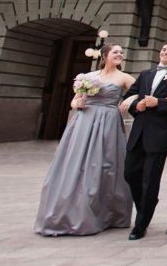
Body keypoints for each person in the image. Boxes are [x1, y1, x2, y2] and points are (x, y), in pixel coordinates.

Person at [34, 43, 135, 235]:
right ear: (104, 56)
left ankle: (105, 214)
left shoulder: (124, 77)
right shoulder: (87, 77)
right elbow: (75, 100)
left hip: (107, 124)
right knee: (75, 163)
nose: (120, 54)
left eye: (122, 52)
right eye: (116, 52)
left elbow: (140, 89)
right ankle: (66, 212)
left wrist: (130, 98)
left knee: (105, 165)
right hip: (84, 122)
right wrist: (76, 102)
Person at [120, 40, 167, 240]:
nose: (165, 52)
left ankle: (141, 223)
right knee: (130, 174)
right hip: (139, 132)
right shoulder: (145, 74)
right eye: (163, 49)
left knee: (150, 179)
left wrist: (157, 102)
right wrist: (137, 107)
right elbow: (131, 96)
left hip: (159, 134)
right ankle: (148, 203)